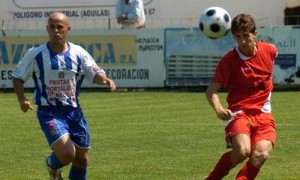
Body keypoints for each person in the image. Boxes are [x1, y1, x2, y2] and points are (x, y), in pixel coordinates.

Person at [12, 12, 116, 180]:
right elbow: (17, 76)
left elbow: (94, 72)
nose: (56, 31)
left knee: (81, 160)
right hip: (49, 112)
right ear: (47, 29)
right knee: (67, 153)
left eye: (60, 27)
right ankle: (51, 164)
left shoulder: (78, 52)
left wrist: (105, 80)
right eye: (52, 27)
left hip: (74, 112)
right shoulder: (36, 54)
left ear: (68, 29)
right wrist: (21, 99)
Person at [205, 14, 277, 180]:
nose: (242, 41)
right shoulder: (229, 60)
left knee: (261, 154)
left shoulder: (270, 51)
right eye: (237, 36)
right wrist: (219, 109)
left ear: (255, 34)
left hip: (264, 114)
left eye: (246, 35)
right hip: (239, 113)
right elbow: (211, 90)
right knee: (242, 151)